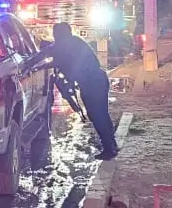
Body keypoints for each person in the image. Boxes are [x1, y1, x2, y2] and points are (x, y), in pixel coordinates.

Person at [25, 23, 118, 160]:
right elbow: (57, 59)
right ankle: (111, 145)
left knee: (98, 116)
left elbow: (46, 56)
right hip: (97, 81)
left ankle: (109, 149)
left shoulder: (63, 45)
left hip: (93, 84)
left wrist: (28, 65)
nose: (55, 37)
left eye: (56, 34)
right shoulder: (73, 42)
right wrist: (39, 65)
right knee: (101, 115)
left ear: (60, 35)